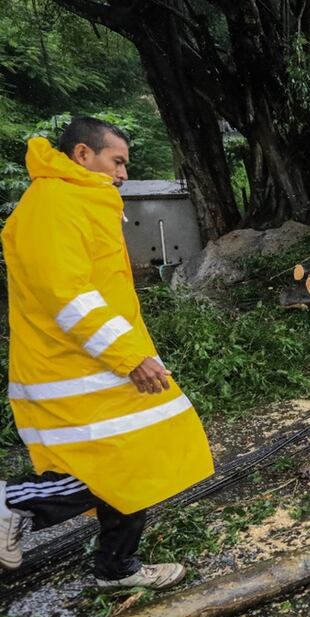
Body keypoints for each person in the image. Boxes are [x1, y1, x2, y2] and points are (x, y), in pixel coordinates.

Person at [0, 117, 214, 589]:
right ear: (82, 154)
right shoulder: (54, 204)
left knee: (135, 460)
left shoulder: (78, 199)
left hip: (101, 363)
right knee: (106, 467)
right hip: (75, 369)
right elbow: (68, 296)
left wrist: (131, 353)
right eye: (117, 161)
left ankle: (116, 568)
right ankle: (15, 502)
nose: (122, 173)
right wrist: (128, 356)